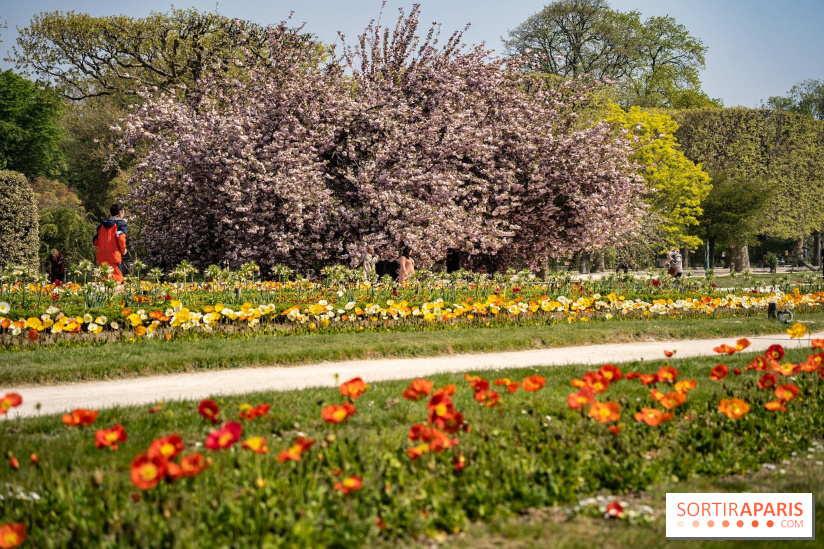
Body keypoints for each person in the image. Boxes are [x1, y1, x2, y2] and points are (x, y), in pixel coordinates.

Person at [93, 203, 128, 282]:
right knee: (117, 282)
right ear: (120, 213)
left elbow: (95, 241)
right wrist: (123, 250)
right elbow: (121, 238)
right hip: (114, 256)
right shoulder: (121, 224)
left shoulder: (101, 225)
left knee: (105, 282)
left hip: (101, 257)